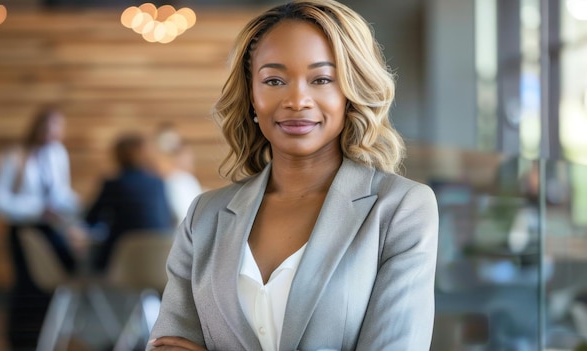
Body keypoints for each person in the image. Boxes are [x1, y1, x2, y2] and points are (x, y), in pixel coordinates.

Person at [148, 1, 439, 350]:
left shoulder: (401, 209)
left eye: (321, 79)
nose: (297, 100)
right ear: (252, 96)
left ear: (349, 92)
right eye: (274, 80)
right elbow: (168, 343)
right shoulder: (204, 216)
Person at [0, 106, 81, 350]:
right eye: (49, 126)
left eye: (58, 127)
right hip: (24, 229)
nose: (53, 132)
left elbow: (60, 192)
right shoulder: (16, 155)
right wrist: (35, 209)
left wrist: (74, 206)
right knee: (27, 285)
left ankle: (46, 336)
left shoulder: (57, 154)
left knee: (50, 285)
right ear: (37, 127)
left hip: (50, 228)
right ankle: (21, 341)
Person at [85, 132, 174, 272]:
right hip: (159, 261)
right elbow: (166, 217)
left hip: (121, 262)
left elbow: (90, 219)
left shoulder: (113, 184)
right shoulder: (158, 183)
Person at [163, 138, 203, 225]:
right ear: (176, 157)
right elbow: (184, 213)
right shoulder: (176, 179)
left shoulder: (187, 179)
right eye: (186, 155)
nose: (191, 159)